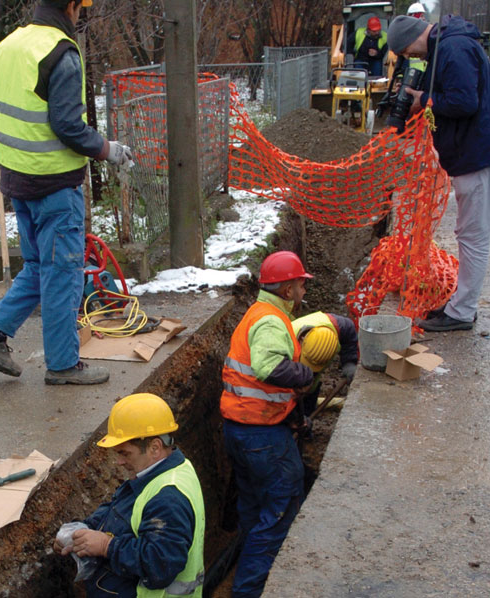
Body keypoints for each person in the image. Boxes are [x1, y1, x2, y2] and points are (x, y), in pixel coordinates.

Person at [0, 0, 133, 385]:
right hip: (55, 187)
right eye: (81, 7)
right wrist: (108, 149)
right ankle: (63, 365)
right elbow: (67, 126)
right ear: (74, 6)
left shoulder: (10, 45)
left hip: (18, 182)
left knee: (40, 268)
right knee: (61, 276)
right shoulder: (61, 53)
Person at [387, 14, 490, 332]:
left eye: (406, 53)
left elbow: (463, 102)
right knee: (468, 233)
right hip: (472, 153)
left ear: (409, 41)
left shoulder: (453, 48)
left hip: (479, 154)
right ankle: (461, 304)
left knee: (473, 236)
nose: (410, 59)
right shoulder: (446, 47)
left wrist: (424, 99)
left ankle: (462, 312)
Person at [220, 250, 314, 598]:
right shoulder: (273, 321)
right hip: (261, 437)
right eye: (301, 285)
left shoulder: (257, 313)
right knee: (279, 511)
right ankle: (248, 590)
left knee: (254, 506)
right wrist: (305, 374)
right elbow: (266, 367)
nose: (304, 292)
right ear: (288, 289)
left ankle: (242, 569)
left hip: (240, 430)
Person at [53, 393, 205, 598]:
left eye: (125, 453)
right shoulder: (156, 472)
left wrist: (106, 546)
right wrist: (83, 530)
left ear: (155, 448)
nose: (119, 462)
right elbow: (122, 508)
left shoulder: (168, 498)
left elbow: (160, 565)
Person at [292, 311, 359, 417]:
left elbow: (349, 331)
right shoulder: (287, 339)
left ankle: (307, 418)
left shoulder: (339, 326)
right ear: (302, 340)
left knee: (310, 393)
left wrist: (349, 362)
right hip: (290, 371)